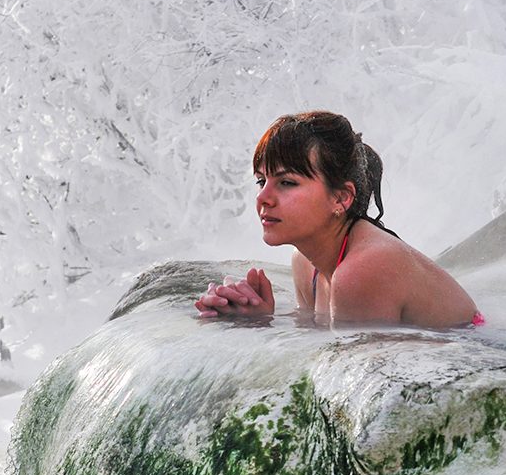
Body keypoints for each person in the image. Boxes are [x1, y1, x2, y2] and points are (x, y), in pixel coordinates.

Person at [194, 111, 482, 328]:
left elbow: (357, 389)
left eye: (287, 183)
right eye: (261, 181)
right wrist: (258, 319)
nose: (263, 198)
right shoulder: (306, 262)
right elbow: (319, 346)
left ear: (341, 198)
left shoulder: (362, 271)